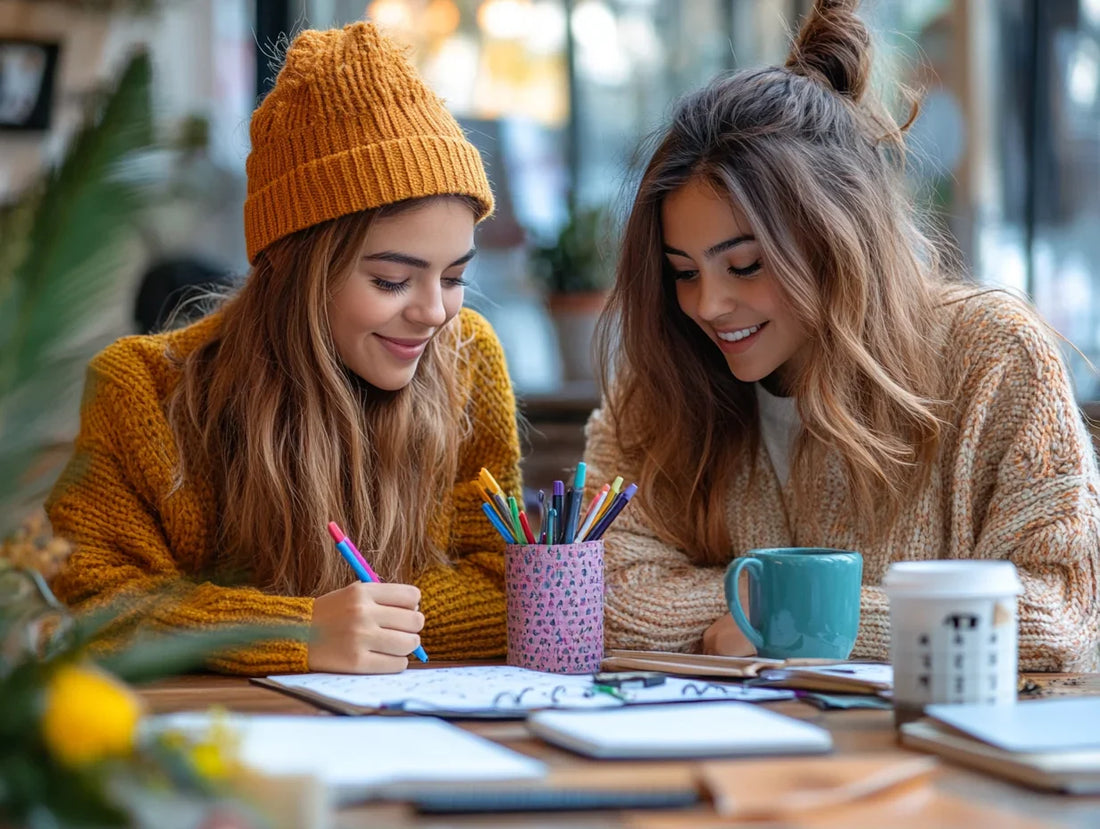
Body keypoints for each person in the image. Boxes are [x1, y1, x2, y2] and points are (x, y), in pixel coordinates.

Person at [584, 0, 1100, 670]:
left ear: (837, 243)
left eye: (746, 265)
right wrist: (876, 615)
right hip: (727, 755)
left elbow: (1057, 611)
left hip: (934, 765)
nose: (708, 304)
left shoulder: (995, 355)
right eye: (683, 272)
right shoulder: (659, 382)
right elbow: (603, 591)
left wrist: (793, 622)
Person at [46, 22, 522, 675]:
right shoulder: (143, 391)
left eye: (455, 276)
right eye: (390, 280)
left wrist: (362, 626)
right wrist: (298, 630)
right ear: (295, 269)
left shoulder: (467, 360)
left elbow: (513, 584)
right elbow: (91, 607)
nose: (434, 311)